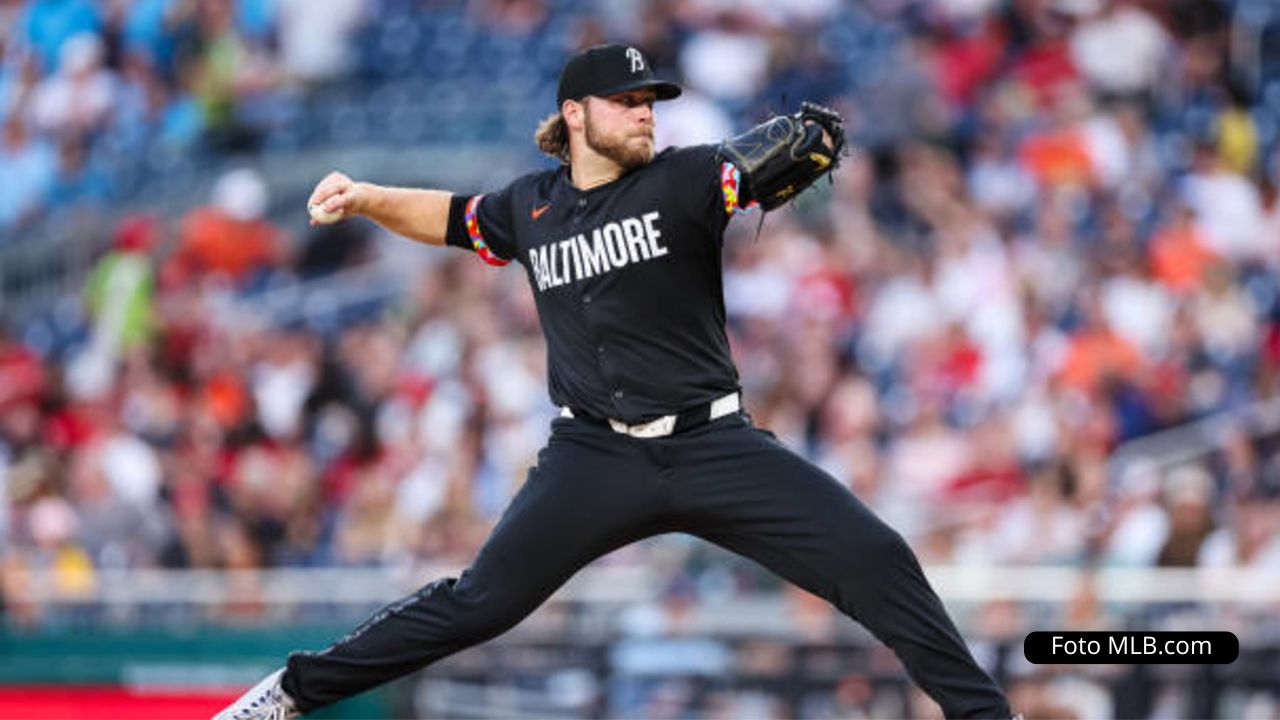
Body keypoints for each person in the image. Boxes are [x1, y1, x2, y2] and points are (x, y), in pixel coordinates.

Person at [215, 44, 1014, 720]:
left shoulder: (684, 180)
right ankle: (292, 691)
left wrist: (801, 136)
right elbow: (453, 217)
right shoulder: (530, 207)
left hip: (713, 443)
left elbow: (743, 170)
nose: (644, 112)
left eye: (649, 101)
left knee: (875, 557)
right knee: (478, 603)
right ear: (576, 115)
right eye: (626, 100)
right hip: (594, 456)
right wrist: (368, 198)